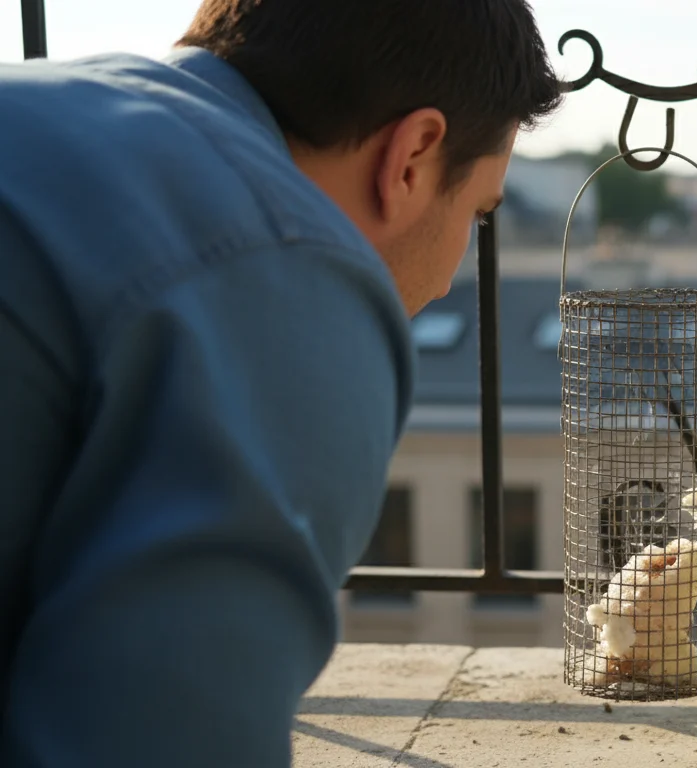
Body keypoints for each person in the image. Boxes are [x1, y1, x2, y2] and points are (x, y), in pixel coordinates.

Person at [0, 1, 560, 764]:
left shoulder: (44, 112)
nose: (457, 263)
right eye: (479, 212)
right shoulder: (286, 267)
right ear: (413, 158)